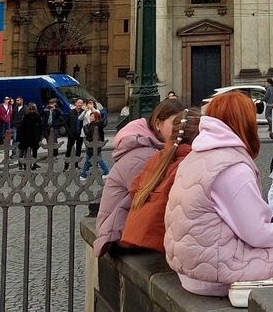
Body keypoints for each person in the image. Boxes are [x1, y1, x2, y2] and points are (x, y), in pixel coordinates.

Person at [165, 92, 273, 294]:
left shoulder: (197, 155)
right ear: (243, 123)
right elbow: (255, 232)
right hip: (215, 272)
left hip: (192, 266)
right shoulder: (231, 166)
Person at [94, 97, 182, 256]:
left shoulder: (147, 148)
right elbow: (151, 200)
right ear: (157, 124)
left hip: (121, 228)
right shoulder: (144, 154)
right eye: (175, 123)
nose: (179, 130)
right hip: (120, 235)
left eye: (182, 125)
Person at [121, 109, 203, 252]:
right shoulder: (188, 164)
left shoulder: (159, 156)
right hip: (157, 239)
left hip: (137, 232)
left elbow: (135, 188)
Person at [81, 100, 109, 179]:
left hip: (94, 144)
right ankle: (84, 174)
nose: (90, 117)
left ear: (95, 117)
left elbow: (92, 135)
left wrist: (88, 141)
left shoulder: (95, 126)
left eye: (92, 116)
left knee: (95, 159)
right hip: (94, 144)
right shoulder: (93, 125)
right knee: (93, 159)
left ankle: (84, 174)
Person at [16, 103, 44, 167]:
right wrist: (41, 134)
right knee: (34, 149)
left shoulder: (26, 116)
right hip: (35, 135)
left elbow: (22, 126)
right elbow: (40, 126)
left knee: (27, 150)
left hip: (27, 135)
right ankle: (34, 163)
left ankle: (25, 164)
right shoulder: (37, 115)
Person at [64, 98, 86, 167]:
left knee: (78, 149)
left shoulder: (84, 112)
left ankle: (76, 164)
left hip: (80, 133)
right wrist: (68, 131)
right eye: (79, 103)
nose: (80, 104)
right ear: (75, 103)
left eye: (81, 103)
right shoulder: (71, 112)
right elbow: (66, 123)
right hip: (72, 133)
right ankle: (66, 165)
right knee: (69, 149)